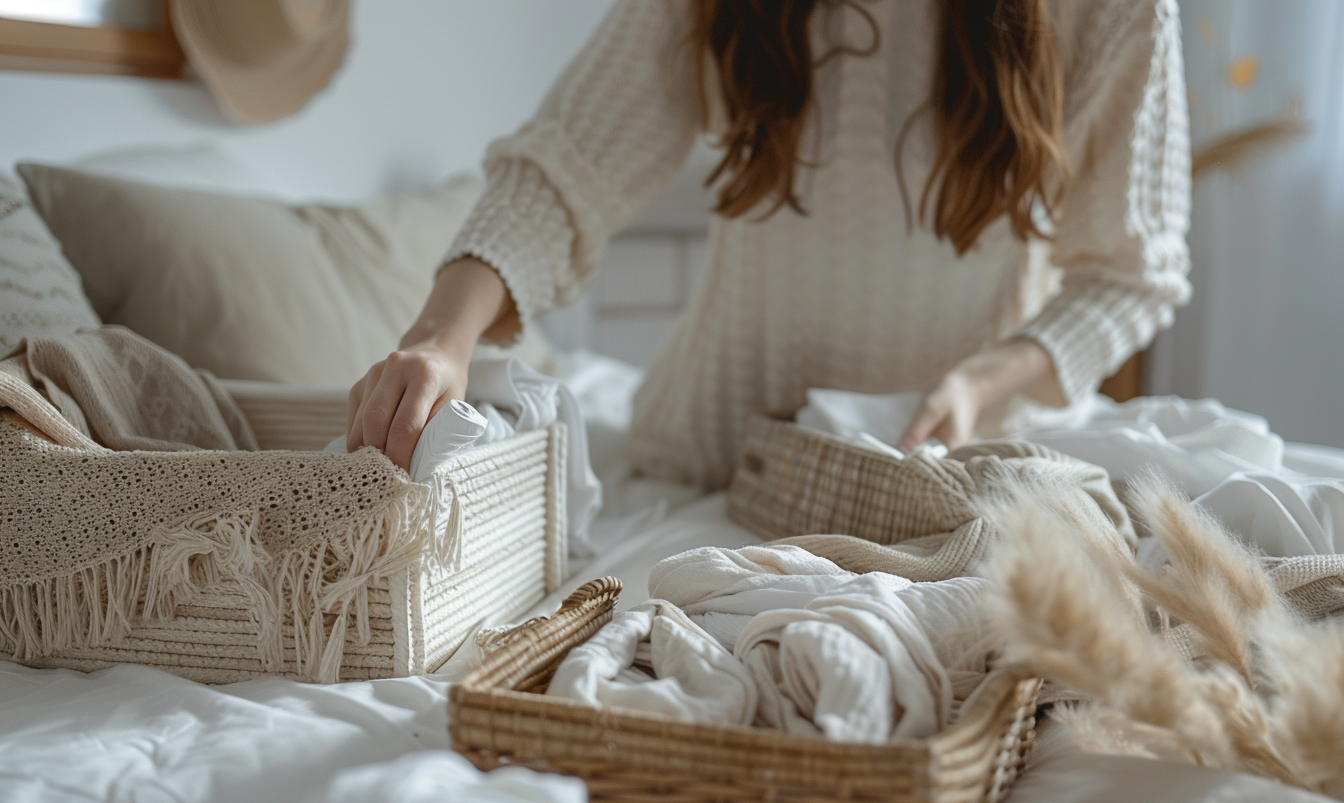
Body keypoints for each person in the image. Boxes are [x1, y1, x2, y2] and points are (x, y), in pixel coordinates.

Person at [346, 0, 1190, 490]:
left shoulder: (1114, 13)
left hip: (955, 479)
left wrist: (979, 381)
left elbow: (1132, 277)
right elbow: (566, 168)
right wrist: (441, 336)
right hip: (707, 463)